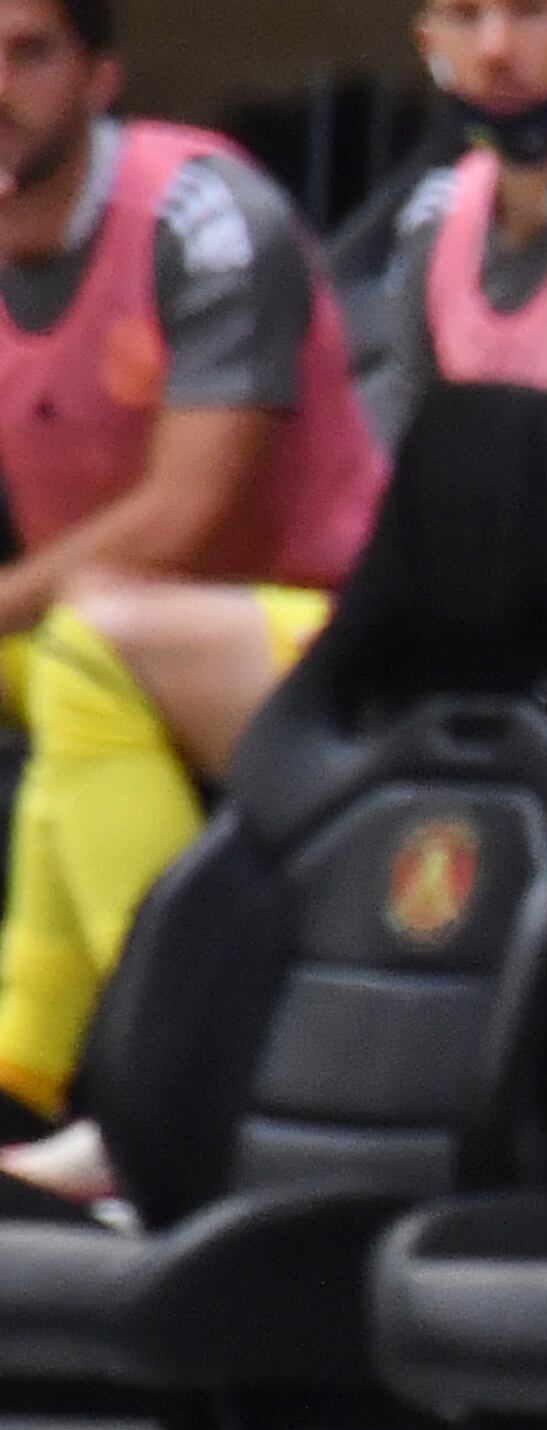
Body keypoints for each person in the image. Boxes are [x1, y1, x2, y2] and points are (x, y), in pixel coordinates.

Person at [0, 0, 547, 1188]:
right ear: (425, 40)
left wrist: (451, 631)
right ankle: (104, 1087)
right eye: (463, 15)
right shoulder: (438, 223)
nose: (497, 49)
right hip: (495, 655)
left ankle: (176, 1109)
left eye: (532, 13)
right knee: (96, 647)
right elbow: (424, 522)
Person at [0, 0, 382, 1137]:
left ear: (104, 75)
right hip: (87, 620)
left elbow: (187, 511)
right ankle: (23, 1092)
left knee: (85, 650)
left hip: (299, 631)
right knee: (81, 646)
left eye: (28, 55)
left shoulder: (203, 217)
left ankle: (168, 1073)